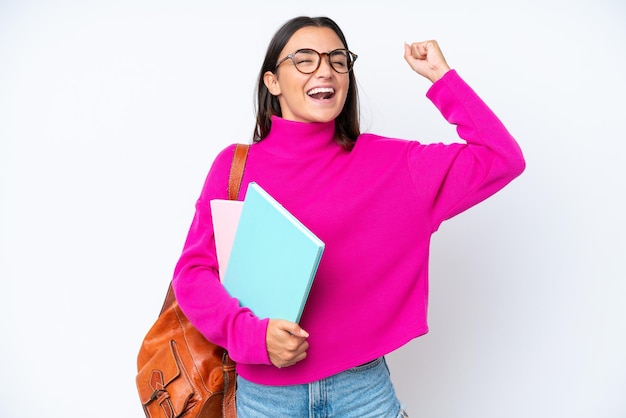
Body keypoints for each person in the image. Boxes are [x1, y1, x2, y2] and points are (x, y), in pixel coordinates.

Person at [172, 15, 525, 417]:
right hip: (265, 400)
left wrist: (441, 77)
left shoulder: (396, 166)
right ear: (272, 82)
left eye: (338, 60)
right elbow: (193, 273)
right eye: (305, 59)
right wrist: (251, 335)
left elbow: (501, 158)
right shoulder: (235, 167)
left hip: (363, 394)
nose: (326, 69)